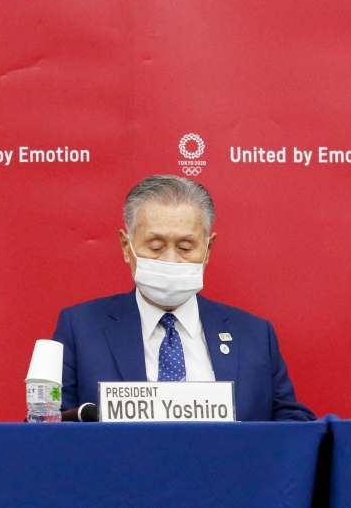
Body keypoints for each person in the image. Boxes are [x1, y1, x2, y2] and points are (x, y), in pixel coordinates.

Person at [52, 174, 314, 421]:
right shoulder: (81, 328)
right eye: (155, 247)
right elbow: (47, 429)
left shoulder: (255, 335)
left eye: (185, 248)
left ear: (208, 248)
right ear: (126, 246)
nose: (171, 260)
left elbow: (293, 427)